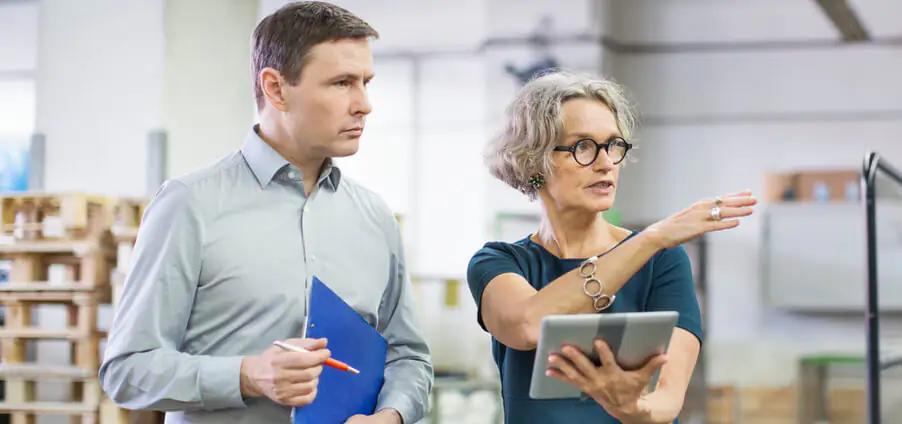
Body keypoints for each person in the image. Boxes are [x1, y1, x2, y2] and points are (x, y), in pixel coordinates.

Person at [99, 3, 431, 423]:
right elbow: (126, 371)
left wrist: (391, 415)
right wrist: (247, 375)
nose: (364, 104)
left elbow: (410, 357)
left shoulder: (375, 218)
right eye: (342, 83)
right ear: (275, 88)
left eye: (365, 82)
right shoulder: (189, 205)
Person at [467, 70, 757, 423]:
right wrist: (651, 237)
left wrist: (632, 409)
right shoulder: (498, 262)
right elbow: (526, 325)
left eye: (614, 146)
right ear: (535, 161)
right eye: (583, 147)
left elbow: (667, 400)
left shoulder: (662, 261)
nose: (606, 163)